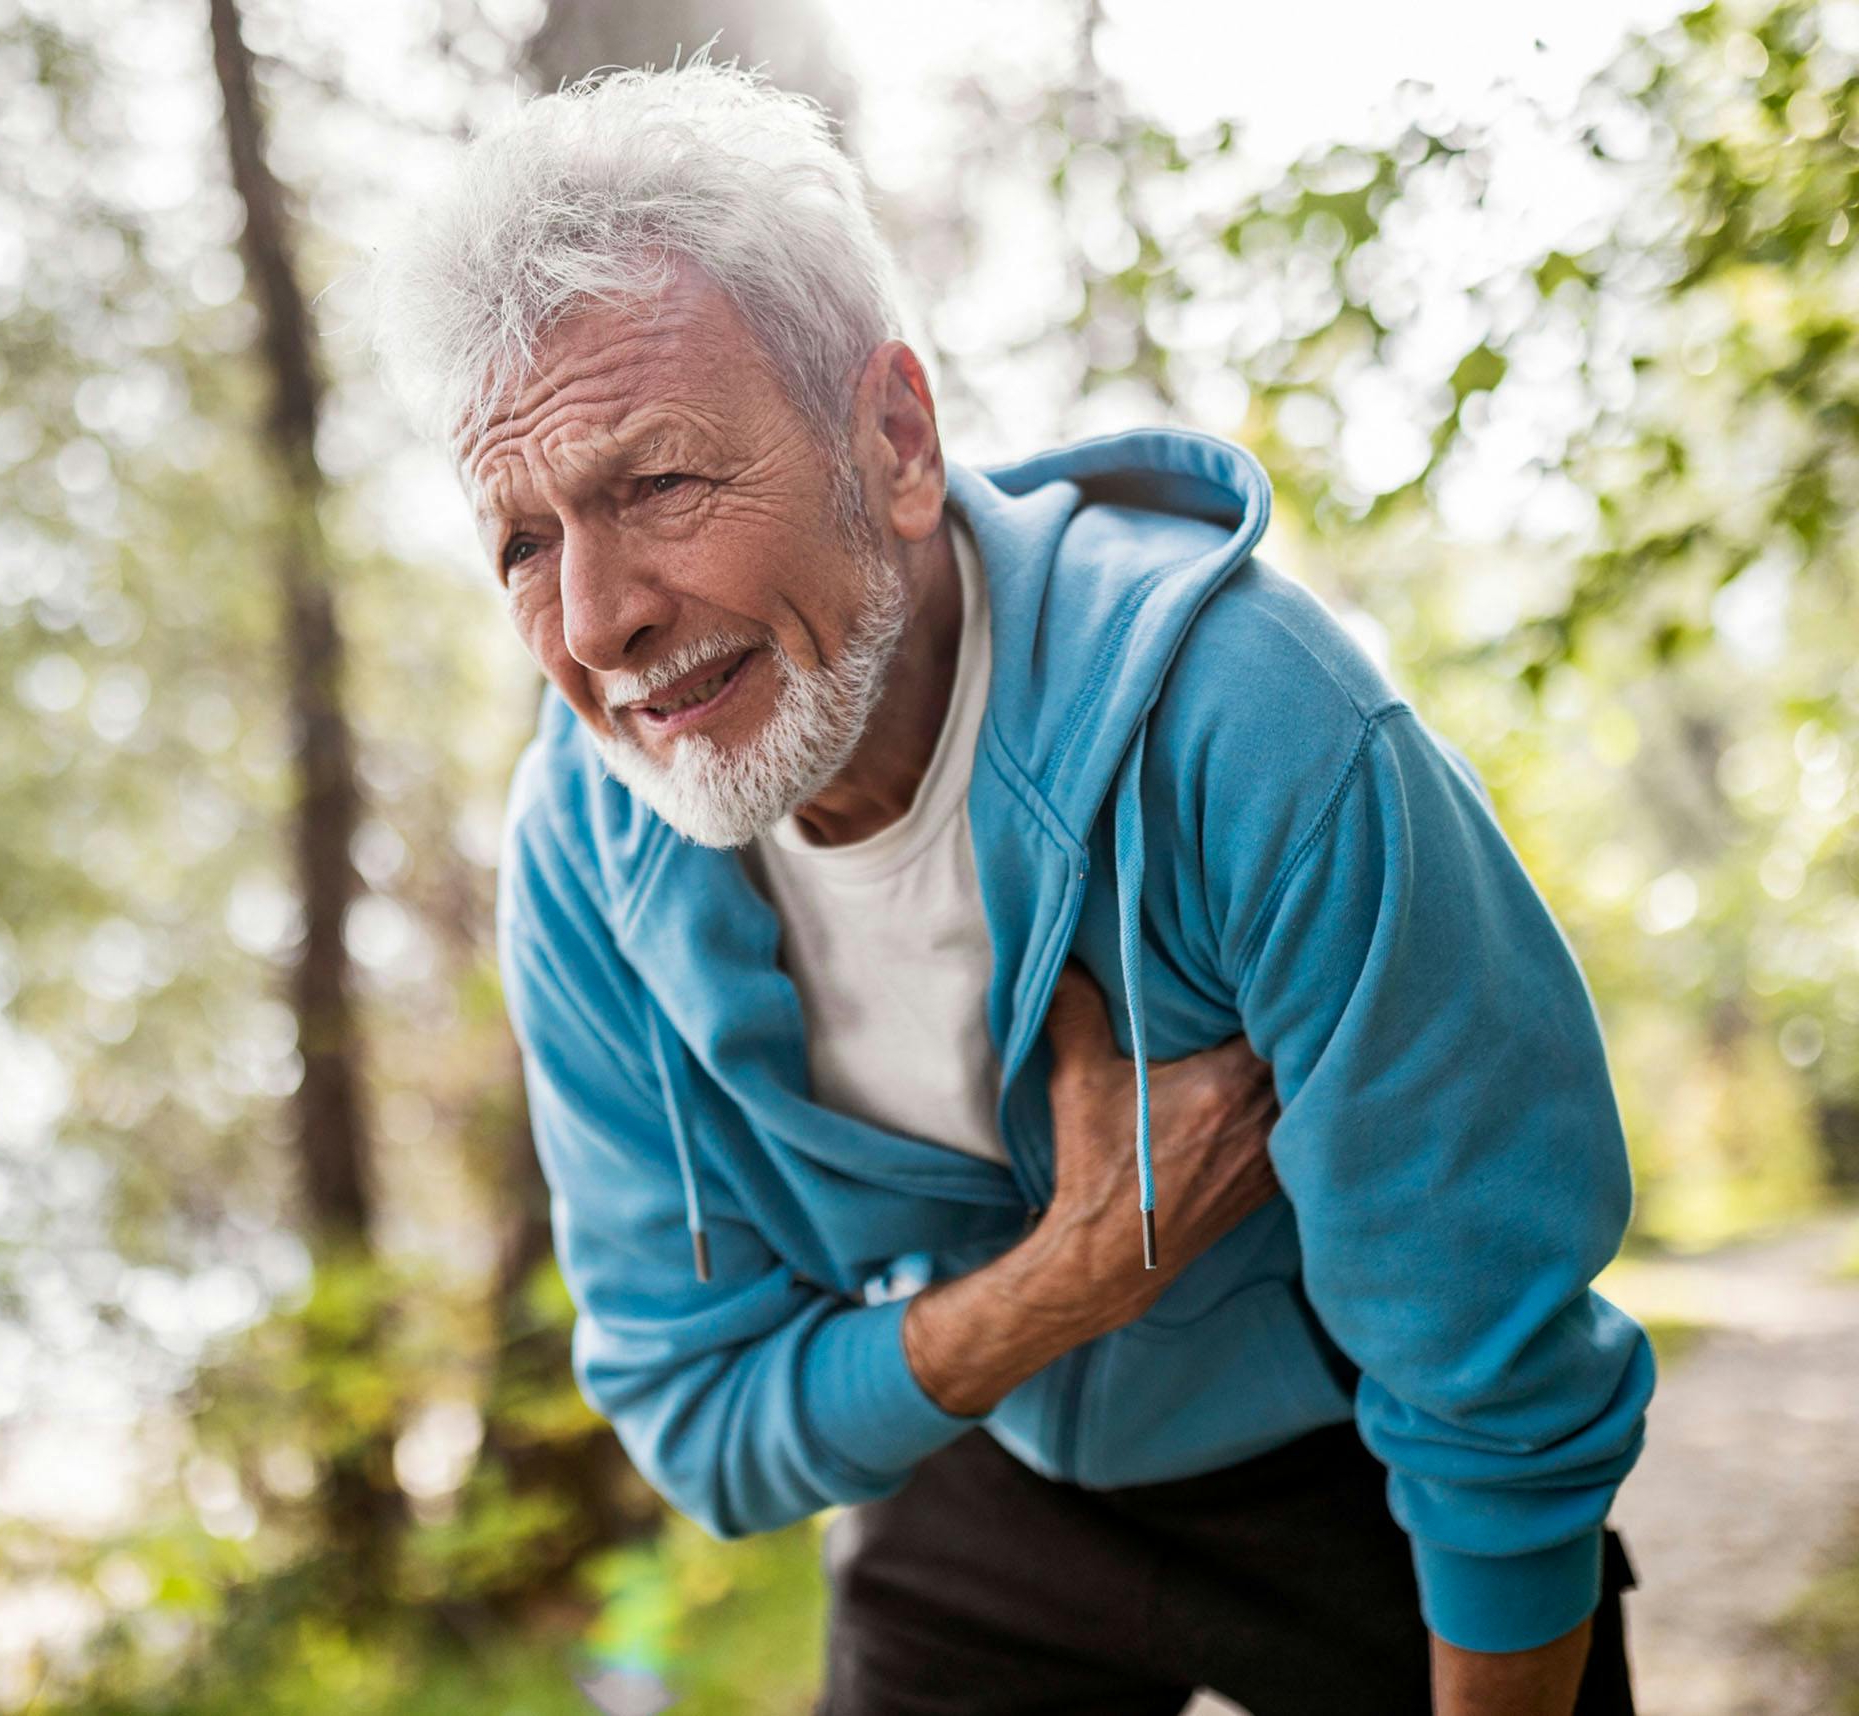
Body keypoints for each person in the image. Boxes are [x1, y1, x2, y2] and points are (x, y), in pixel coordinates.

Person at [370, 57, 1654, 1716]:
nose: (600, 618)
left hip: (1356, 1456)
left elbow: (1492, 1376)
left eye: (658, 483)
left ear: (894, 439)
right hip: (982, 1451)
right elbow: (702, 1427)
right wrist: (1077, 1271)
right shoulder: (579, 851)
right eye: (525, 541)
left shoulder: (1251, 723)